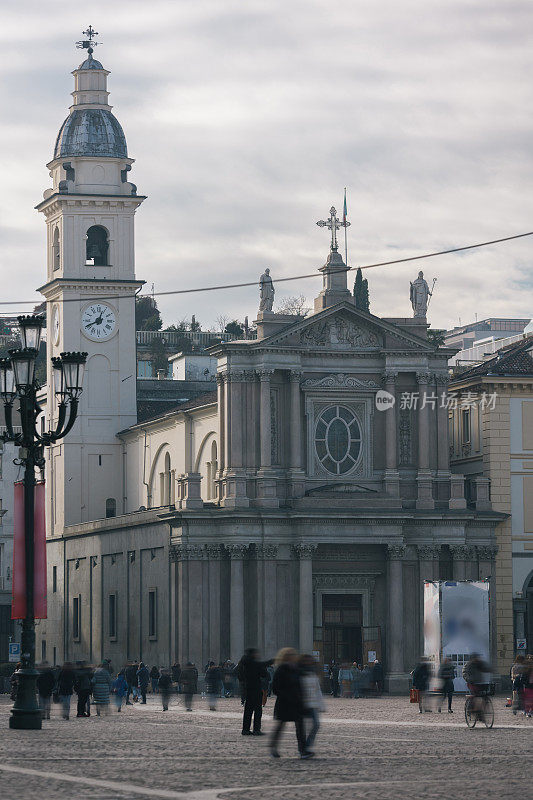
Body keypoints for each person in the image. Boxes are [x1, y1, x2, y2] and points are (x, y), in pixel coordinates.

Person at [270, 647, 311, 760]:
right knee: (280, 726)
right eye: (291, 655)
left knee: (300, 727)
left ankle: (303, 750)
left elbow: (301, 685)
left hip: (296, 703)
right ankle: (273, 747)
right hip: (285, 703)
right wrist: (287, 696)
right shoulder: (281, 670)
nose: (294, 656)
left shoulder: (296, 669)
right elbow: (275, 688)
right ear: (286, 657)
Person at [237, 648, 269, 735]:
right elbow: (264, 673)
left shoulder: (243, 662)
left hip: (247, 687)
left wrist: (243, 681)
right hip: (256, 687)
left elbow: (237, 672)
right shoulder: (254, 663)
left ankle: (245, 729)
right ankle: (256, 729)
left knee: (248, 710)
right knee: (258, 710)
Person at [299, 655, 325, 751]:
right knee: (301, 727)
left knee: (316, 724)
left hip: (313, 703)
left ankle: (308, 744)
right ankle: (303, 747)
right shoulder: (299, 672)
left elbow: (317, 690)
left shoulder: (314, 672)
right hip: (302, 703)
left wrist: (321, 705)